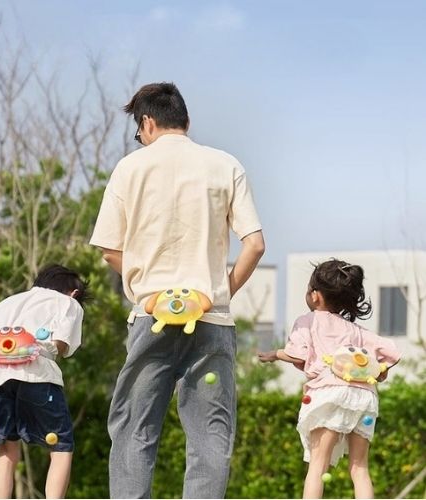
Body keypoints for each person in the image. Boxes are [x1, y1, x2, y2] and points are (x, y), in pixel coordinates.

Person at [90, 82, 265, 498]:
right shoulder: (225, 165)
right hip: (210, 319)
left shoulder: (130, 169)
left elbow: (109, 250)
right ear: (185, 120)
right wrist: (221, 292)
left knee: (134, 428)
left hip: (151, 318)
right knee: (210, 434)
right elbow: (255, 245)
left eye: (139, 132)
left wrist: (147, 290)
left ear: (147, 122)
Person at [258, 259, 401, 499]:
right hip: (364, 399)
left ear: (315, 296)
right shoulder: (356, 330)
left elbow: (298, 354)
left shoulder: (308, 321)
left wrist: (275, 354)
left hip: (329, 395)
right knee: (360, 468)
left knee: (318, 465)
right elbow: (391, 354)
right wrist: (380, 371)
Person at [0, 264, 89, 499]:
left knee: (6, 448)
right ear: (74, 292)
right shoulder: (68, 302)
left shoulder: (9, 301)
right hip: (36, 374)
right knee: (61, 446)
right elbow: (61, 345)